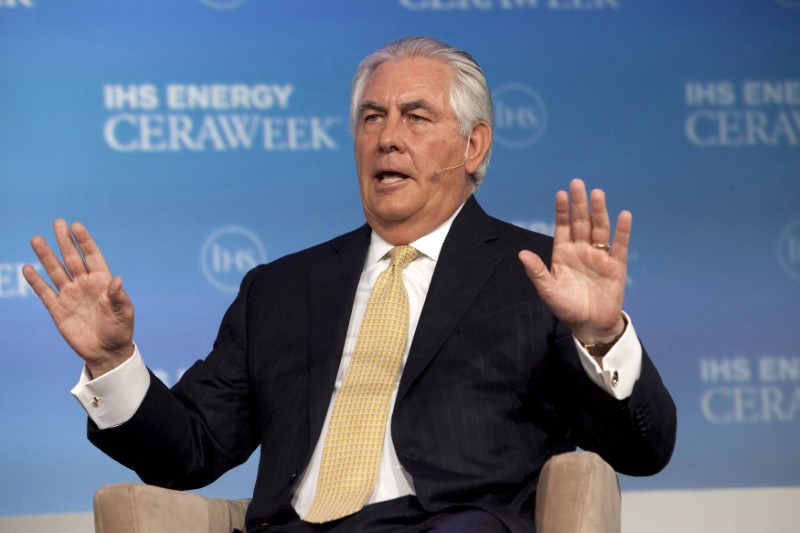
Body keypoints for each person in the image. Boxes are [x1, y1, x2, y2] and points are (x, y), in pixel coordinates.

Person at [24, 36, 676, 532]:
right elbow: (190, 452)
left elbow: (642, 450)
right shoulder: (278, 289)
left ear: (474, 146)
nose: (388, 137)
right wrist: (112, 362)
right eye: (371, 117)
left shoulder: (536, 275)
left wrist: (600, 332)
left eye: (416, 116)